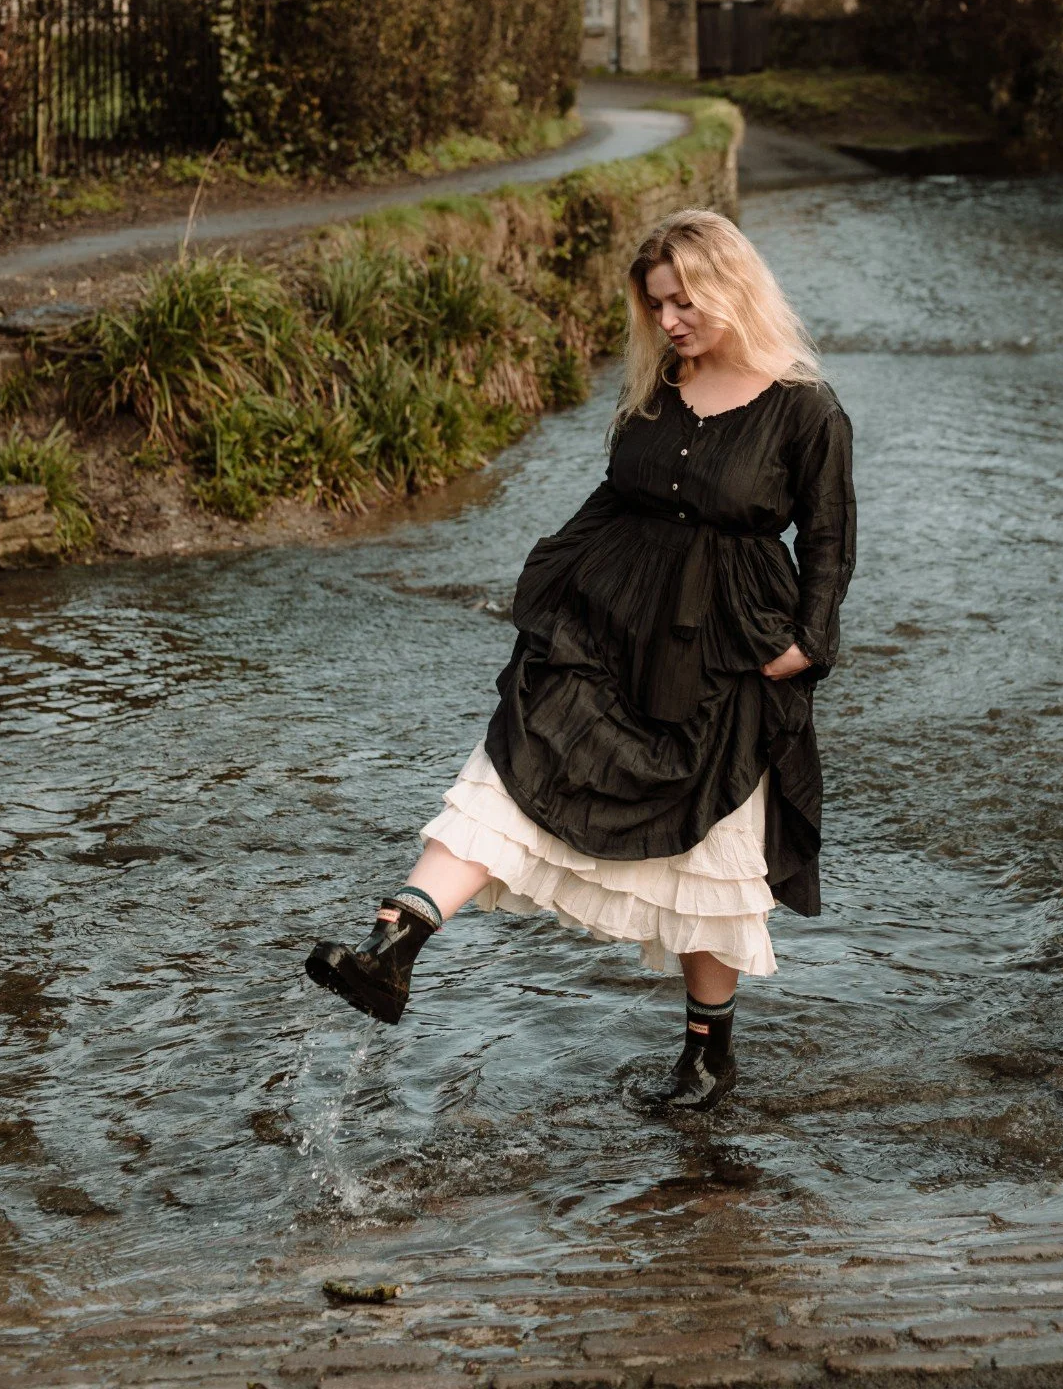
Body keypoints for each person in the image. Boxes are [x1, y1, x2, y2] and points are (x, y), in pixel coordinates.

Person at [306, 208, 856, 1111]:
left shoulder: (804, 407)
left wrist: (808, 643)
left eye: (684, 301)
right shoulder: (656, 389)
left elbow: (829, 538)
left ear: (733, 285)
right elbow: (614, 497)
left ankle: (706, 1056)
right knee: (511, 762)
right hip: (608, 620)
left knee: (712, 849)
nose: (669, 321)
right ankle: (390, 949)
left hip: (727, 646)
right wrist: (550, 583)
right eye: (656, 305)